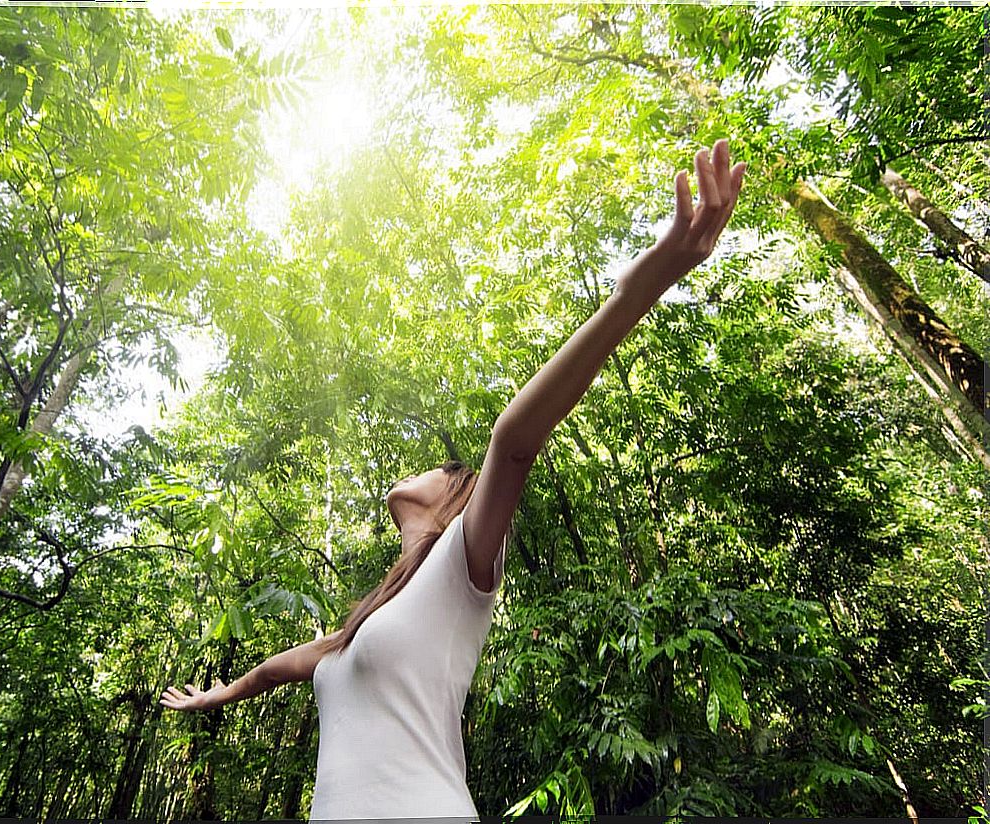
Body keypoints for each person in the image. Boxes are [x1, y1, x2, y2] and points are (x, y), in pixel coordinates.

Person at [161, 139, 747, 819]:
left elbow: (515, 440)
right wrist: (217, 695)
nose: (413, 472)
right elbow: (276, 668)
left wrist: (638, 288)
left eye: (436, 470)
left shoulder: (461, 565)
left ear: (453, 501)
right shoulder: (355, 632)